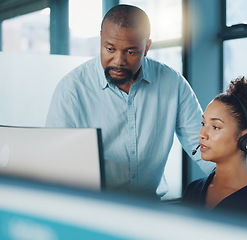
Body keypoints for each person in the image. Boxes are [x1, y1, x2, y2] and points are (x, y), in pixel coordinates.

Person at [46, 4, 212, 199]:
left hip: (149, 209)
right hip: (93, 209)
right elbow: (55, 163)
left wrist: (238, 186)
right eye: (110, 48)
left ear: (147, 48)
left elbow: (200, 145)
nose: (118, 61)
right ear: (100, 39)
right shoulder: (71, 89)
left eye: (131, 52)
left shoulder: (172, 83)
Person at [182, 76, 247, 222]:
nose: (202, 134)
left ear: (245, 139)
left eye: (215, 127)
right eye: (203, 123)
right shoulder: (193, 190)